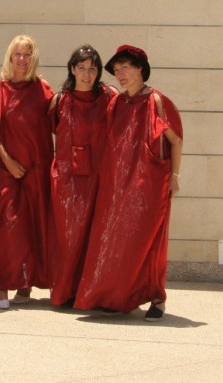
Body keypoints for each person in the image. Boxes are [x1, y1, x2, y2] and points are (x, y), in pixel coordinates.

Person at [74, 45, 183, 320]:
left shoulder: (158, 101)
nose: (120, 74)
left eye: (125, 67)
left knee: (151, 245)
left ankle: (157, 299)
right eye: (117, 69)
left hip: (150, 187)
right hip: (119, 186)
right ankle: (121, 297)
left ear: (140, 69)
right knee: (120, 243)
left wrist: (175, 178)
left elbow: (176, 140)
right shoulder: (116, 103)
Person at [0, 35, 55, 309]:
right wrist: (8, 161)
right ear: (9, 57)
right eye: (17, 54)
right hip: (4, 171)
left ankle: (26, 284)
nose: (22, 60)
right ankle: (2, 289)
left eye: (27, 55)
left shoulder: (43, 89)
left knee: (35, 229)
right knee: (5, 230)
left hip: (37, 172)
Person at [48, 45, 116, 307]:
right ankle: (66, 291)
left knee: (95, 237)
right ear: (72, 69)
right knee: (68, 238)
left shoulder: (109, 97)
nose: (87, 75)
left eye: (92, 69)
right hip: (68, 182)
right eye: (82, 68)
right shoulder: (59, 100)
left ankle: (94, 293)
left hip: (99, 179)